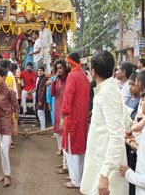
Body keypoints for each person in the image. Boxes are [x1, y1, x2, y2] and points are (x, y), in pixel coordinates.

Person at [81, 50, 128, 194]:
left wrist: (104, 174)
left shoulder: (108, 92)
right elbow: (126, 120)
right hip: (100, 160)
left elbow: (117, 136)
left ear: (92, 71)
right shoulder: (108, 88)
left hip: (106, 168)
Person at [60, 53, 90, 188]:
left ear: (69, 63)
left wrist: (63, 115)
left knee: (71, 148)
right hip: (82, 116)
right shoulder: (84, 76)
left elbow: (68, 97)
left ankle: (75, 179)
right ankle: (78, 175)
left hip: (72, 117)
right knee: (80, 147)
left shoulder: (72, 76)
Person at [0, 68, 19, 187]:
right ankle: (5, 173)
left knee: (4, 149)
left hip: (8, 122)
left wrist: (15, 125)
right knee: (1, 150)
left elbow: (16, 108)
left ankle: (7, 175)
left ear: (4, 77)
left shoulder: (10, 91)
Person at [51, 60, 68, 157]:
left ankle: (64, 151)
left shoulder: (69, 79)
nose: (59, 70)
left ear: (65, 68)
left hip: (65, 108)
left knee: (64, 131)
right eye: (57, 68)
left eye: (61, 68)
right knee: (57, 131)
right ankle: (60, 148)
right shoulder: (57, 80)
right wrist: (54, 80)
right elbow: (52, 93)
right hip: (57, 107)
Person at [35, 67, 47, 131]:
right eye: (38, 71)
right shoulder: (39, 78)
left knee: (41, 113)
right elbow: (38, 89)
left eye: (41, 71)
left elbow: (43, 91)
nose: (39, 72)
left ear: (44, 72)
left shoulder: (44, 79)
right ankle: (42, 128)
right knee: (40, 113)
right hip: (39, 98)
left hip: (41, 99)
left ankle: (43, 129)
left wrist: (40, 101)